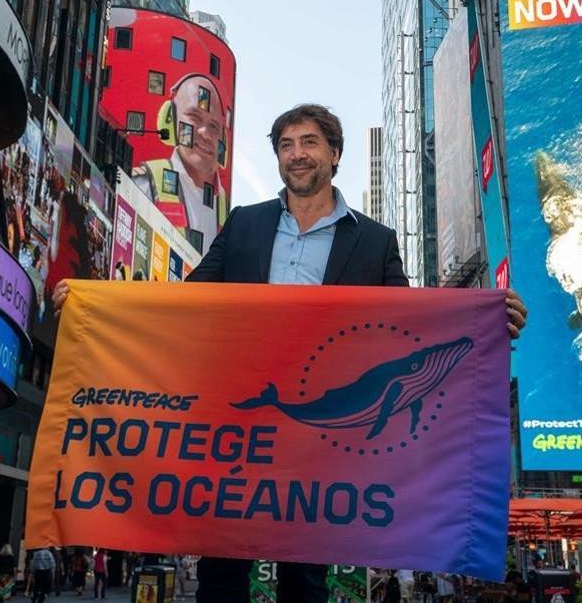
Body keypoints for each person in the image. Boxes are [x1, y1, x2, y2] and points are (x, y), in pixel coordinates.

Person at [52, 104, 529, 603]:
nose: (296, 155)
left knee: (305, 577)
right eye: (285, 146)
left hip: (317, 442)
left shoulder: (374, 241)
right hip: (237, 432)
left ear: (334, 154)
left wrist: (485, 326)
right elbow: (185, 303)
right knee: (222, 568)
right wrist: (95, 304)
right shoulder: (244, 225)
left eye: (308, 143)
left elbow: (407, 326)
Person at [131, 74, 231, 253]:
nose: (205, 133)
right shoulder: (144, 183)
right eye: (195, 116)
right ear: (170, 119)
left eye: (214, 127)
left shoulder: (227, 210)